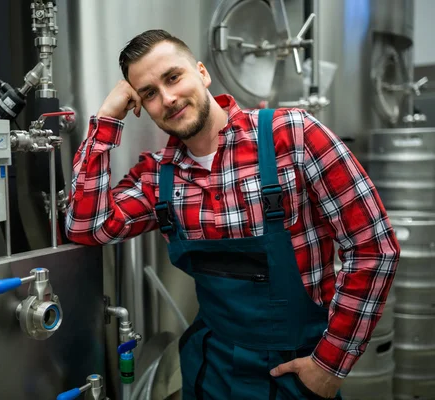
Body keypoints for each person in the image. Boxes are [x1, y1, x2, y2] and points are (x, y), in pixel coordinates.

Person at [65, 29, 400, 399]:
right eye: (149, 93)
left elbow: (374, 247)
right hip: (211, 371)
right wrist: (108, 119)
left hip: (296, 373)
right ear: (141, 106)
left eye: (173, 77)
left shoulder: (293, 135)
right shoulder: (157, 176)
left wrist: (331, 365)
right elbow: (87, 226)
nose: (168, 98)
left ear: (202, 72)